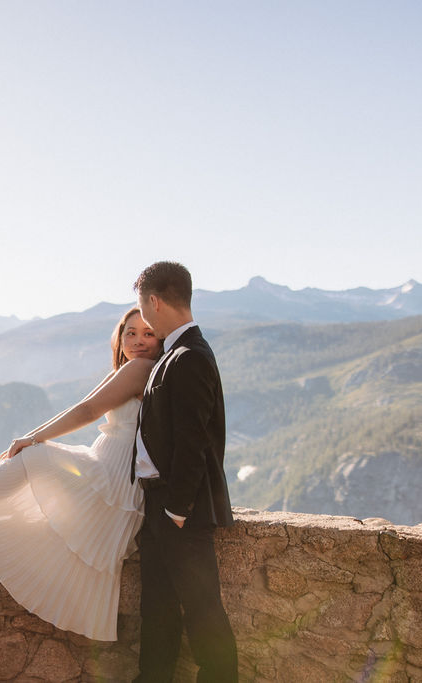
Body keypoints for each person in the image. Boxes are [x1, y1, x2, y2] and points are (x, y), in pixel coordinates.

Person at [0, 307, 161, 640]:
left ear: (161, 338)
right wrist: (29, 436)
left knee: (37, 455)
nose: (138, 340)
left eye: (148, 333)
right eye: (131, 332)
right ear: (119, 337)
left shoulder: (142, 368)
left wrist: (33, 439)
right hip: (110, 469)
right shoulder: (130, 368)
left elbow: (88, 411)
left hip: (113, 478)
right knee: (32, 453)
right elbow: (80, 404)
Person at [131, 261, 238, 682]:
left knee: (202, 608)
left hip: (181, 510)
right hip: (161, 503)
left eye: (142, 307)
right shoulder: (175, 351)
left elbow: (193, 441)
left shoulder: (190, 356)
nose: (142, 316)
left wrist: (176, 509)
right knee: (157, 605)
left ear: (154, 301)